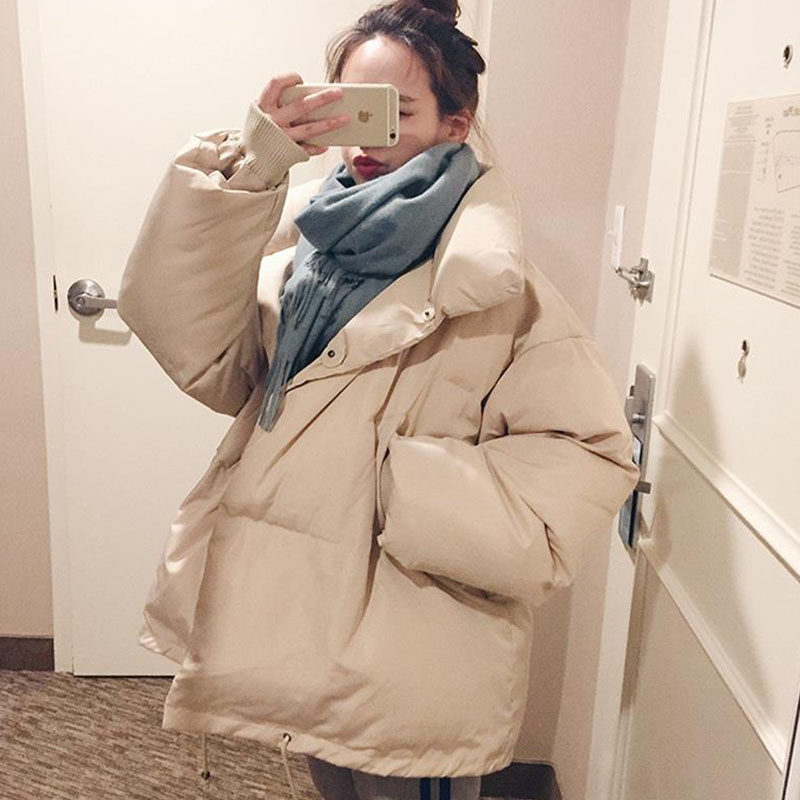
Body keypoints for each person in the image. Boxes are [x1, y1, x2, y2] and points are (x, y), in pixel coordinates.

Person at [117, 1, 640, 799]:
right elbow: (204, 354)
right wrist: (255, 166)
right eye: (350, 109)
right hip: (307, 627)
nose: (364, 140)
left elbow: (589, 451)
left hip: (415, 636)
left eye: (394, 113)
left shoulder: (489, 282)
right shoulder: (302, 248)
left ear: (455, 125)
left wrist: (403, 489)